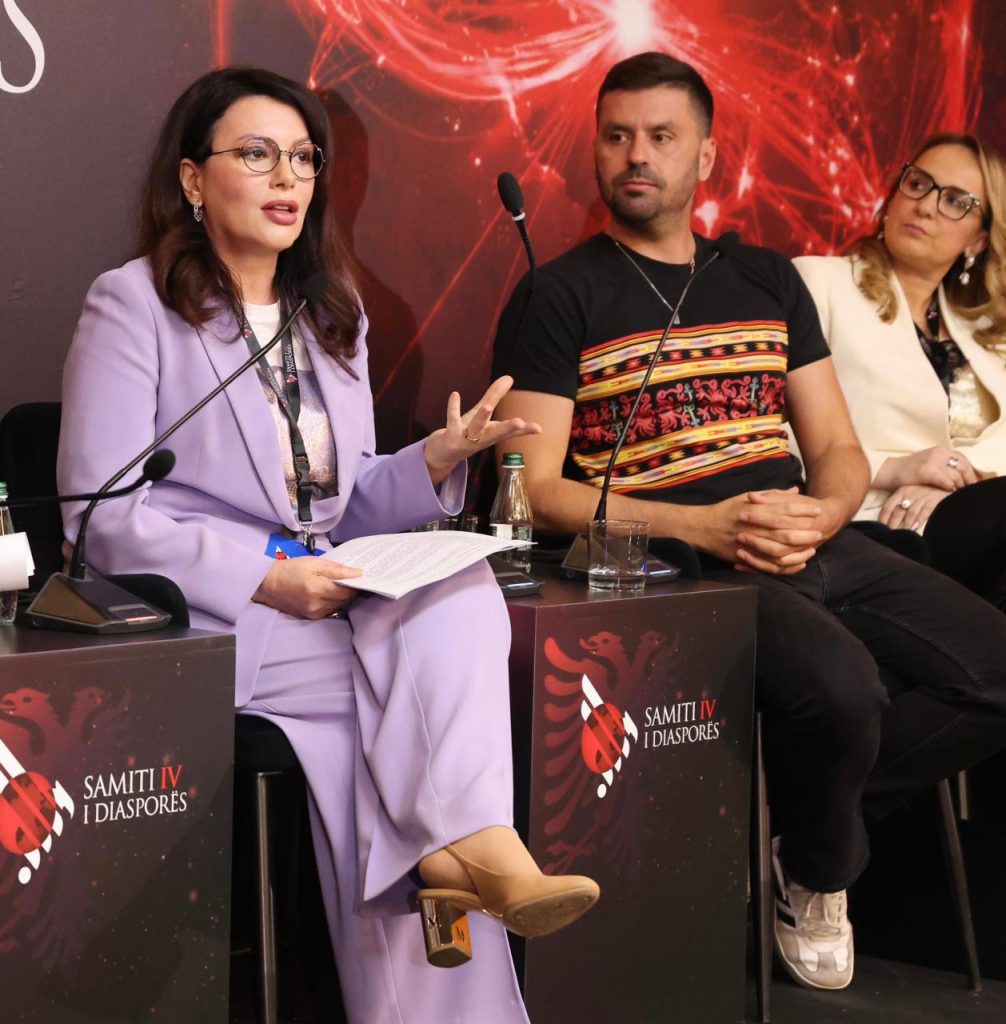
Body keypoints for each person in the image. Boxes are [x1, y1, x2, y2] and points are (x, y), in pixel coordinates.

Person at [56, 67, 598, 1024]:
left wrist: (435, 460)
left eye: (304, 158)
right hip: (215, 619)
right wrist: (269, 580)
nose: (287, 177)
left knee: (461, 591)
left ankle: (458, 853)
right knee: (396, 724)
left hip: (330, 596)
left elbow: (342, 508)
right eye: (257, 153)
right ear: (192, 178)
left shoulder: (331, 311)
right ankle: (465, 850)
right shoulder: (132, 304)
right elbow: (97, 515)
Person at [491, 51, 1006, 992]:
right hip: (685, 566)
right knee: (844, 690)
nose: (636, 155)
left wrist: (821, 516)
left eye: (661, 136)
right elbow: (535, 490)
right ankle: (819, 870)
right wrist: (703, 529)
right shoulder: (559, 294)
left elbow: (839, 450)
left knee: (995, 669)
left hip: (811, 536)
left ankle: (796, 828)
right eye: (617, 136)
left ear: (706, 157)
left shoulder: (765, 278)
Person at [794, 134, 1006, 607]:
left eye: (956, 201)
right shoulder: (817, 281)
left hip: (963, 520)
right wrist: (894, 469)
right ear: (893, 197)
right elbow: (766, 437)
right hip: (872, 523)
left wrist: (958, 480)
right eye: (918, 183)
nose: (926, 206)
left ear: (977, 240)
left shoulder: (983, 331)